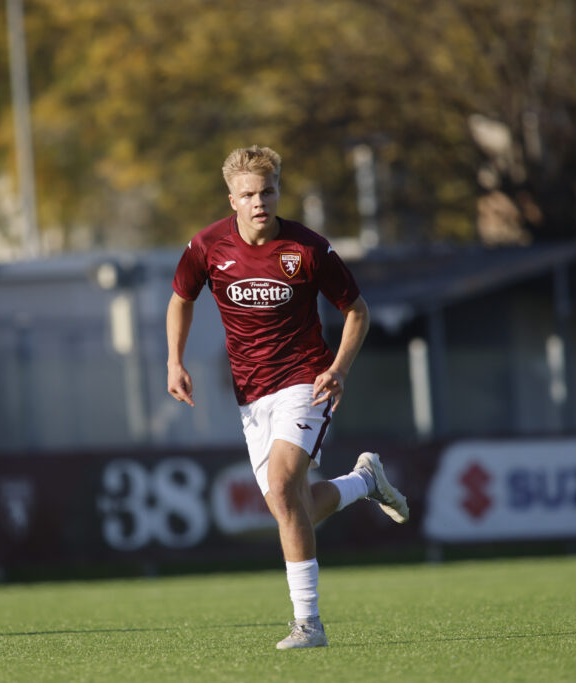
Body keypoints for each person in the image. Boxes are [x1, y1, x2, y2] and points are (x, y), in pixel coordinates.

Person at [166, 145, 410, 650]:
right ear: (231, 198)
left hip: (307, 380)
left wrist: (338, 369)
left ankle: (309, 624)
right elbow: (181, 299)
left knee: (281, 486)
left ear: (279, 190)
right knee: (289, 505)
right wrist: (175, 360)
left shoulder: (309, 249)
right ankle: (364, 482)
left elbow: (357, 311)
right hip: (251, 395)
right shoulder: (207, 246)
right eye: (249, 194)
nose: (260, 202)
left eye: (268, 190)